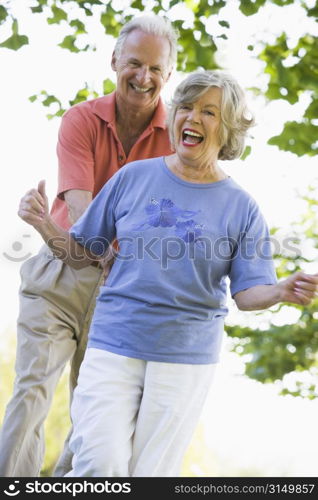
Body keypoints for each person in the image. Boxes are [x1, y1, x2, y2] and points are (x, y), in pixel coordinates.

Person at [18, 70, 318, 477]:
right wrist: (44, 225)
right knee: (98, 463)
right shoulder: (133, 178)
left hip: (185, 357)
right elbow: (81, 253)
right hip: (113, 343)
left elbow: (247, 294)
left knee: (150, 475)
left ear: (227, 128)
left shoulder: (241, 207)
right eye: (186, 107)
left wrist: (280, 291)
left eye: (209, 112)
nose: (192, 117)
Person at [0, 15, 177, 477]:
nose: (144, 77)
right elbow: (86, 218)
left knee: (94, 409)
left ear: (169, 73)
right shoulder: (81, 119)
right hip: (60, 276)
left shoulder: (176, 138)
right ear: (114, 60)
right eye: (135, 63)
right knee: (32, 391)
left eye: (156, 68)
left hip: (120, 290)